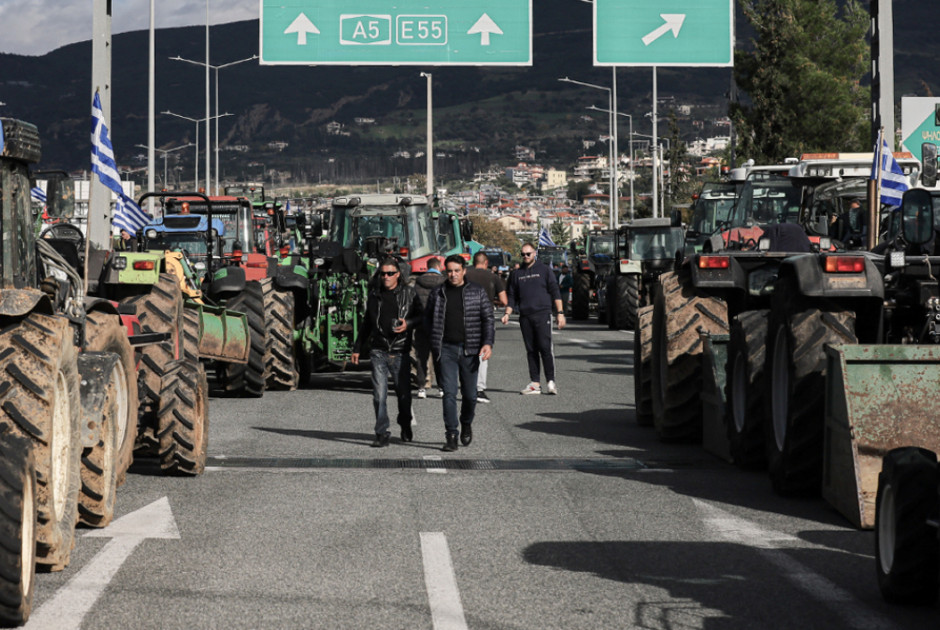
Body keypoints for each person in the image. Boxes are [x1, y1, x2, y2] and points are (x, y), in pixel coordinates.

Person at [425, 255, 494, 452]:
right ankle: (451, 434)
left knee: (471, 396)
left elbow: (488, 319)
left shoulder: (476, 292)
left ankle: (466, 422)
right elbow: (427, 318)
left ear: (464, 271)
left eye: (457, 270)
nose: (453, 274)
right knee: (448, 393)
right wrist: (433, 338)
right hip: (445, 349)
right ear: (445, 271)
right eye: (450, 271)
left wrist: (487, 343)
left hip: (469, 349)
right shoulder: (438, 293)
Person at [351, 259, 423, 447]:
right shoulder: (375, 295)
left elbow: (422, 316)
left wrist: (409, 324)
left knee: (403, 395)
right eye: (383, 273)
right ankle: (382, 433)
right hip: (378, 352)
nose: (386, 277)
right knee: (379, 396)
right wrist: (357, 348)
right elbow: (367, 323)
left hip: (400, 352)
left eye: (390, 273)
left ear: (398, 274)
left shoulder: (410, 294)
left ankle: (405, 423)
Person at [501, 242, 565, 395]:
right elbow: (512, 297)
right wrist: (507, 313)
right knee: (531, 350)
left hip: (542, 314)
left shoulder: (544, 270)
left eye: (528, 254)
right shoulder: (516, 274)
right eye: (523, 254)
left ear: (534, 254)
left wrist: (560, 313)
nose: (525, 257)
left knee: (545, 348)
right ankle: (535, 383)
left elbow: (555, 291)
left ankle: (550, 381)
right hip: (525, 316)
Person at [464, 251, 507, 403]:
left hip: (465, 314)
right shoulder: (493, 277)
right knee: (483, 352)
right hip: (484, 316)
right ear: (486, 262)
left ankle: (463, 385)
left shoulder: (465, 274)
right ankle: (479, 389)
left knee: (462, 350)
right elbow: (504, 300)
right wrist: (494, 301)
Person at [412, 256, 446, 399]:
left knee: (421, 356)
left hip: (421, 323)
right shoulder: (444, 282)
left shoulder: (418, 283)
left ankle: (421, 387)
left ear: (427, 267)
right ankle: (442, 388)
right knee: (440, 357)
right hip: (439, 325)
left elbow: (413, 303)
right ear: (439, 267)